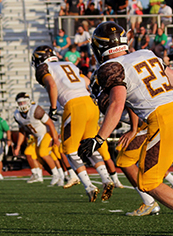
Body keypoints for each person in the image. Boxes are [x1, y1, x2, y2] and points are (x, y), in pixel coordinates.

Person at [79, 22, 173, 236]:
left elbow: (117, 103)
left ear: (99, 47)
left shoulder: (109, 68)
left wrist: (99, 138)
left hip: (161, 119)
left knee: (148, 181)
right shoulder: (145, 54)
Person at [32, 45, 114, 201]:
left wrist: (54, 107)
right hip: (90, 104)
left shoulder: (43, 67)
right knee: (89, 145)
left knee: (69, 150)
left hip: (75, 106)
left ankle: (89, 186)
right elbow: (88, 82)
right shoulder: (68, 64)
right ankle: (106, 179)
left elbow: (52, 84)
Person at [13, 92, 73, 187]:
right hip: (36, 136)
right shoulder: (17, 115)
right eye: (20, 103)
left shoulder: (35, 110)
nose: (22, 105)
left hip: (47, 133)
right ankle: (40, 175)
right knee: (33, 154)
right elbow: (21, 131)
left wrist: (55, 139)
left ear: (28, 101)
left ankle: (60, 174)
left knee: (45, 153)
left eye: (24, 102)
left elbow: (50, 124)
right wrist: (18, 146)